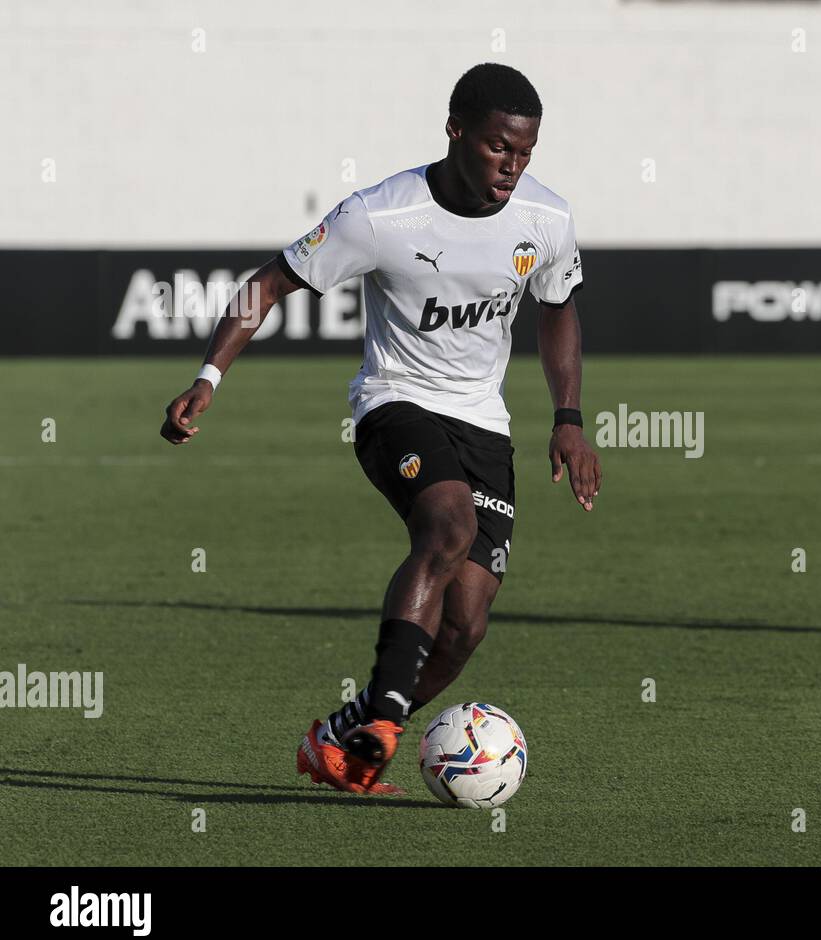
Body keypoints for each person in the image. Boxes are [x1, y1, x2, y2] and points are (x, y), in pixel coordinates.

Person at [160, 63, 601, 795]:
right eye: (498, 148)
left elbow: (557, 306)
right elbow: (270, 282)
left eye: (525, 154)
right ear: (456, 130)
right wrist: (208, 378)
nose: (513, 168)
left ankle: (343, 735)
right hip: (394, 404)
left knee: (465, 626)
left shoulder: (546, 220)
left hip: (483, 424)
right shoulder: (381, 216)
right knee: (448, 525)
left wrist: (569, 420)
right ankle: (388, 720)